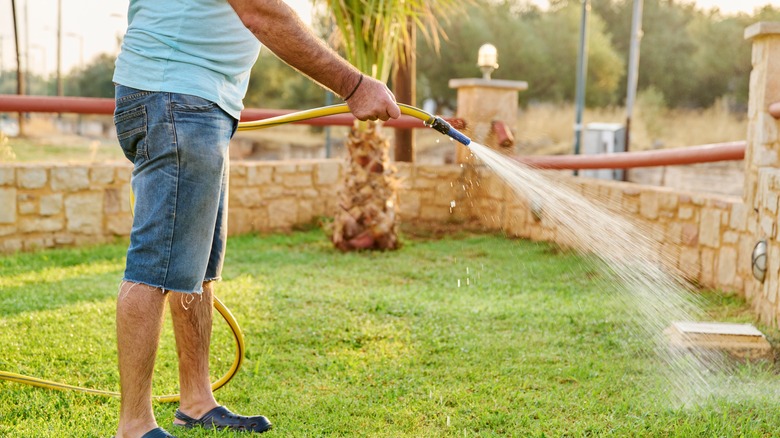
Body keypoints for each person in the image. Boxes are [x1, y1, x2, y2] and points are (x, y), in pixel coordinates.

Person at [112, 1, 401, 437]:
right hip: (176, 95)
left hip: (196, 99)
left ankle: (196, 402)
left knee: (195, 267)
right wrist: (355, 85)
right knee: (154, 266)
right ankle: (134, 425)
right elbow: (263, 14)